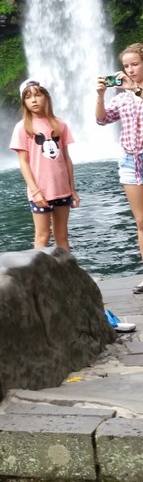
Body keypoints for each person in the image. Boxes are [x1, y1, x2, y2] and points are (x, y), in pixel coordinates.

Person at [9, 79, 79, 251]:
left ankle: (68, 268)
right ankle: (38, 269)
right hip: (40, 191)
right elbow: (23, 162)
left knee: (62, 235)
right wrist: (35, 192)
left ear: (46, 97)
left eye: (38, 95)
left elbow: (66, 158)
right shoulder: (22, 127)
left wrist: (72, 189)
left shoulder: (60, 124)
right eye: (28, 97)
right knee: (43, 235)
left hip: (62, 189)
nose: (33, 100)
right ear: (24, 102)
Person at [96, 43, 143, 294]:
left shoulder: (134, 92)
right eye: (126, 66)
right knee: (141, 221)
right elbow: (102, 119)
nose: (130, 70)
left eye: (135, 64)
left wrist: (135, 89)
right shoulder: (121, 98)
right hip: (129, 161)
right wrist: (100, 95)